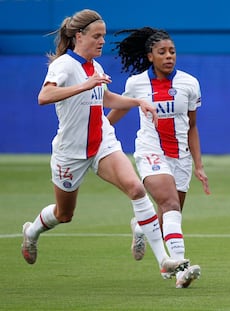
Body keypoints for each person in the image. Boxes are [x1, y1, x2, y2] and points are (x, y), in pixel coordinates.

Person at [20, 9, 190, 281]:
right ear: (79, 36)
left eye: (103, 36)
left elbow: (106, 98)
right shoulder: (63, 65)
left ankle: (164, 261)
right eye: (97, 36)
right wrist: (85, 85)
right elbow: (45, 95)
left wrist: (137, 102)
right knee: (64, 214)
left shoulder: (95, 67)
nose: (102, 41)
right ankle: (32, 231)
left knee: (136, 188)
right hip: (71, 152)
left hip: (102, 143)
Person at [107, 27, 210, 289]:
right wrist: (100, 133)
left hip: (181, 158)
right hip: (150, 151)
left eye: (172, 51)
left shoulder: (189, 83)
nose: (168, 56)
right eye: (162, 52)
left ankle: (142, 225)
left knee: (169, 216)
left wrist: (198, 165)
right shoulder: (136, 84)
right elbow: (116, 112)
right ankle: (181, 270)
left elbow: (192, 126)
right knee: (170, 203)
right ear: (150, 56)